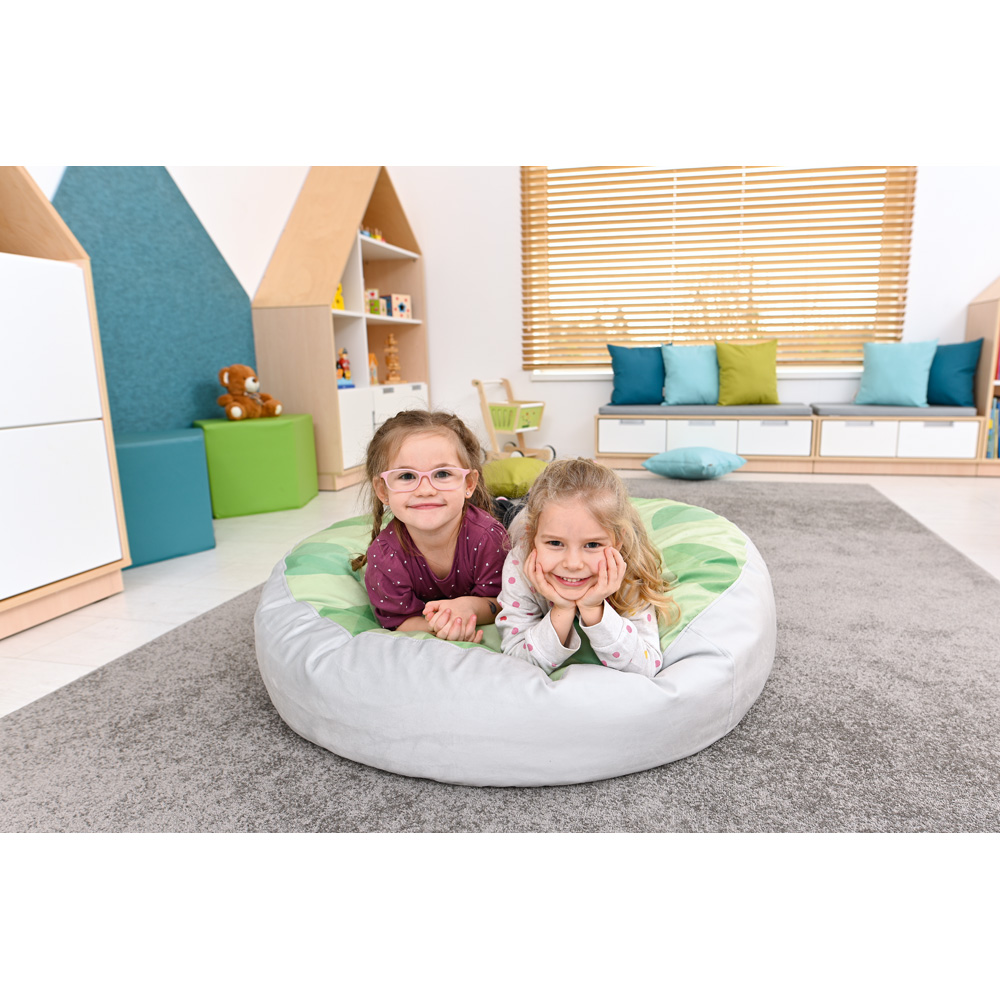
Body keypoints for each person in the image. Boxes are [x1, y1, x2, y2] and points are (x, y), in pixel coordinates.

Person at [496, 458, 678, 676]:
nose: (573, 564)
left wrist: (594, 609)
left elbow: (646, 665)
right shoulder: (520, 564)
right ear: (533, 538)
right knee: (512, 515)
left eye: (592, 545)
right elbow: (517, 661)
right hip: (520, 522)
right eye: (555, 543)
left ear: (618, 542)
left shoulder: (627, 568)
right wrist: (562, 610)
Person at [352, 410, 510, 644]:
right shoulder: (385, 557)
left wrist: (469, 607)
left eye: (442, 473)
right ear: (383, 490)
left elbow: (504, 601)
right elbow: (399, 620)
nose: (425, 490)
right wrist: (443, 626)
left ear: (469, 484)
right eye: (407, 476)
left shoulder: (489, 538)